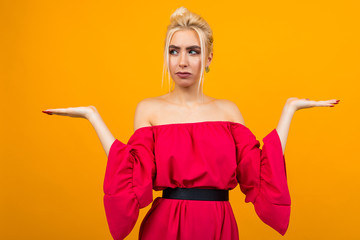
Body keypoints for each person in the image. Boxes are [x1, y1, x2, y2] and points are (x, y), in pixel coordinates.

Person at [42, 6, 340, 240]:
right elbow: (132, 174)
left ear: (208, 58)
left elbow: (261, 177)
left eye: (192, 51)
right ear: (166, 57)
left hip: (219, 225)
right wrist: (93, 116)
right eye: (174, 51)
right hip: (164, 227)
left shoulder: (228, 111)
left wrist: (289, 111)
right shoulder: (149, 109)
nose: (182, 61)